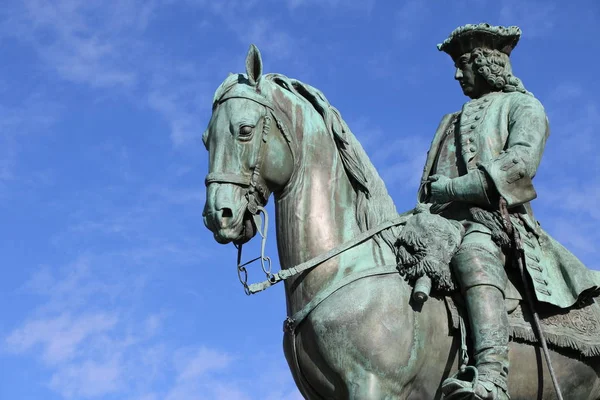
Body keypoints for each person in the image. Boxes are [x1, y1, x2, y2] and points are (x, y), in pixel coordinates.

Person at [418, 23, 600, 399]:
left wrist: (453, 189)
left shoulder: (524, 106)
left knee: (475, 253)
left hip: (498, 222)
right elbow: (427, 186)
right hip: (439, 221)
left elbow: (518, 165)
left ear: (485, 64)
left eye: (463, 63)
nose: (456, 74)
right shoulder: (448, 122)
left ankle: (492, 377)